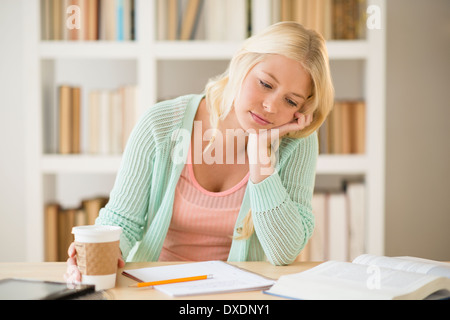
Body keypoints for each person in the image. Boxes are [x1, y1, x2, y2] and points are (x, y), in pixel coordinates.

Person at [65, 21, 334, 283]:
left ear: (301, 110)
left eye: (290, 101)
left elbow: (284, 252)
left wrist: (261, 158)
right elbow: (123, 220)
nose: (271, 106)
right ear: (242, 63)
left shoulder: (297, 142)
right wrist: (98, 253)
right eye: (265, 83)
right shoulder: (160, 125)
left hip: (241, 298)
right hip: (156, 290)